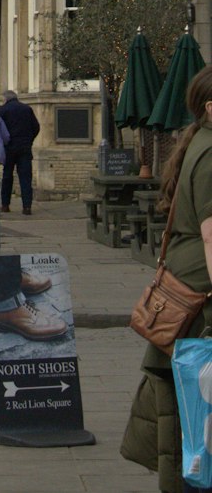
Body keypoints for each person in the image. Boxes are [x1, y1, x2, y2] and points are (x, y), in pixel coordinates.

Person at [121, 64, 212, 492]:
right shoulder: (211, 154)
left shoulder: (199, 143)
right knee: (191, 423)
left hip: (181, 300)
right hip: (197, 307)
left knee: (182, 422)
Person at [0, 89, 41, 216]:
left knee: (7, 176)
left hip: (9, 147)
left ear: (5, 99)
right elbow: (36, 127)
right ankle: (27, 207)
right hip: (24, 147)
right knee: (25, 177)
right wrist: (30, 140)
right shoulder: (27, 109)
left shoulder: (2, 110)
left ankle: (5, 205)